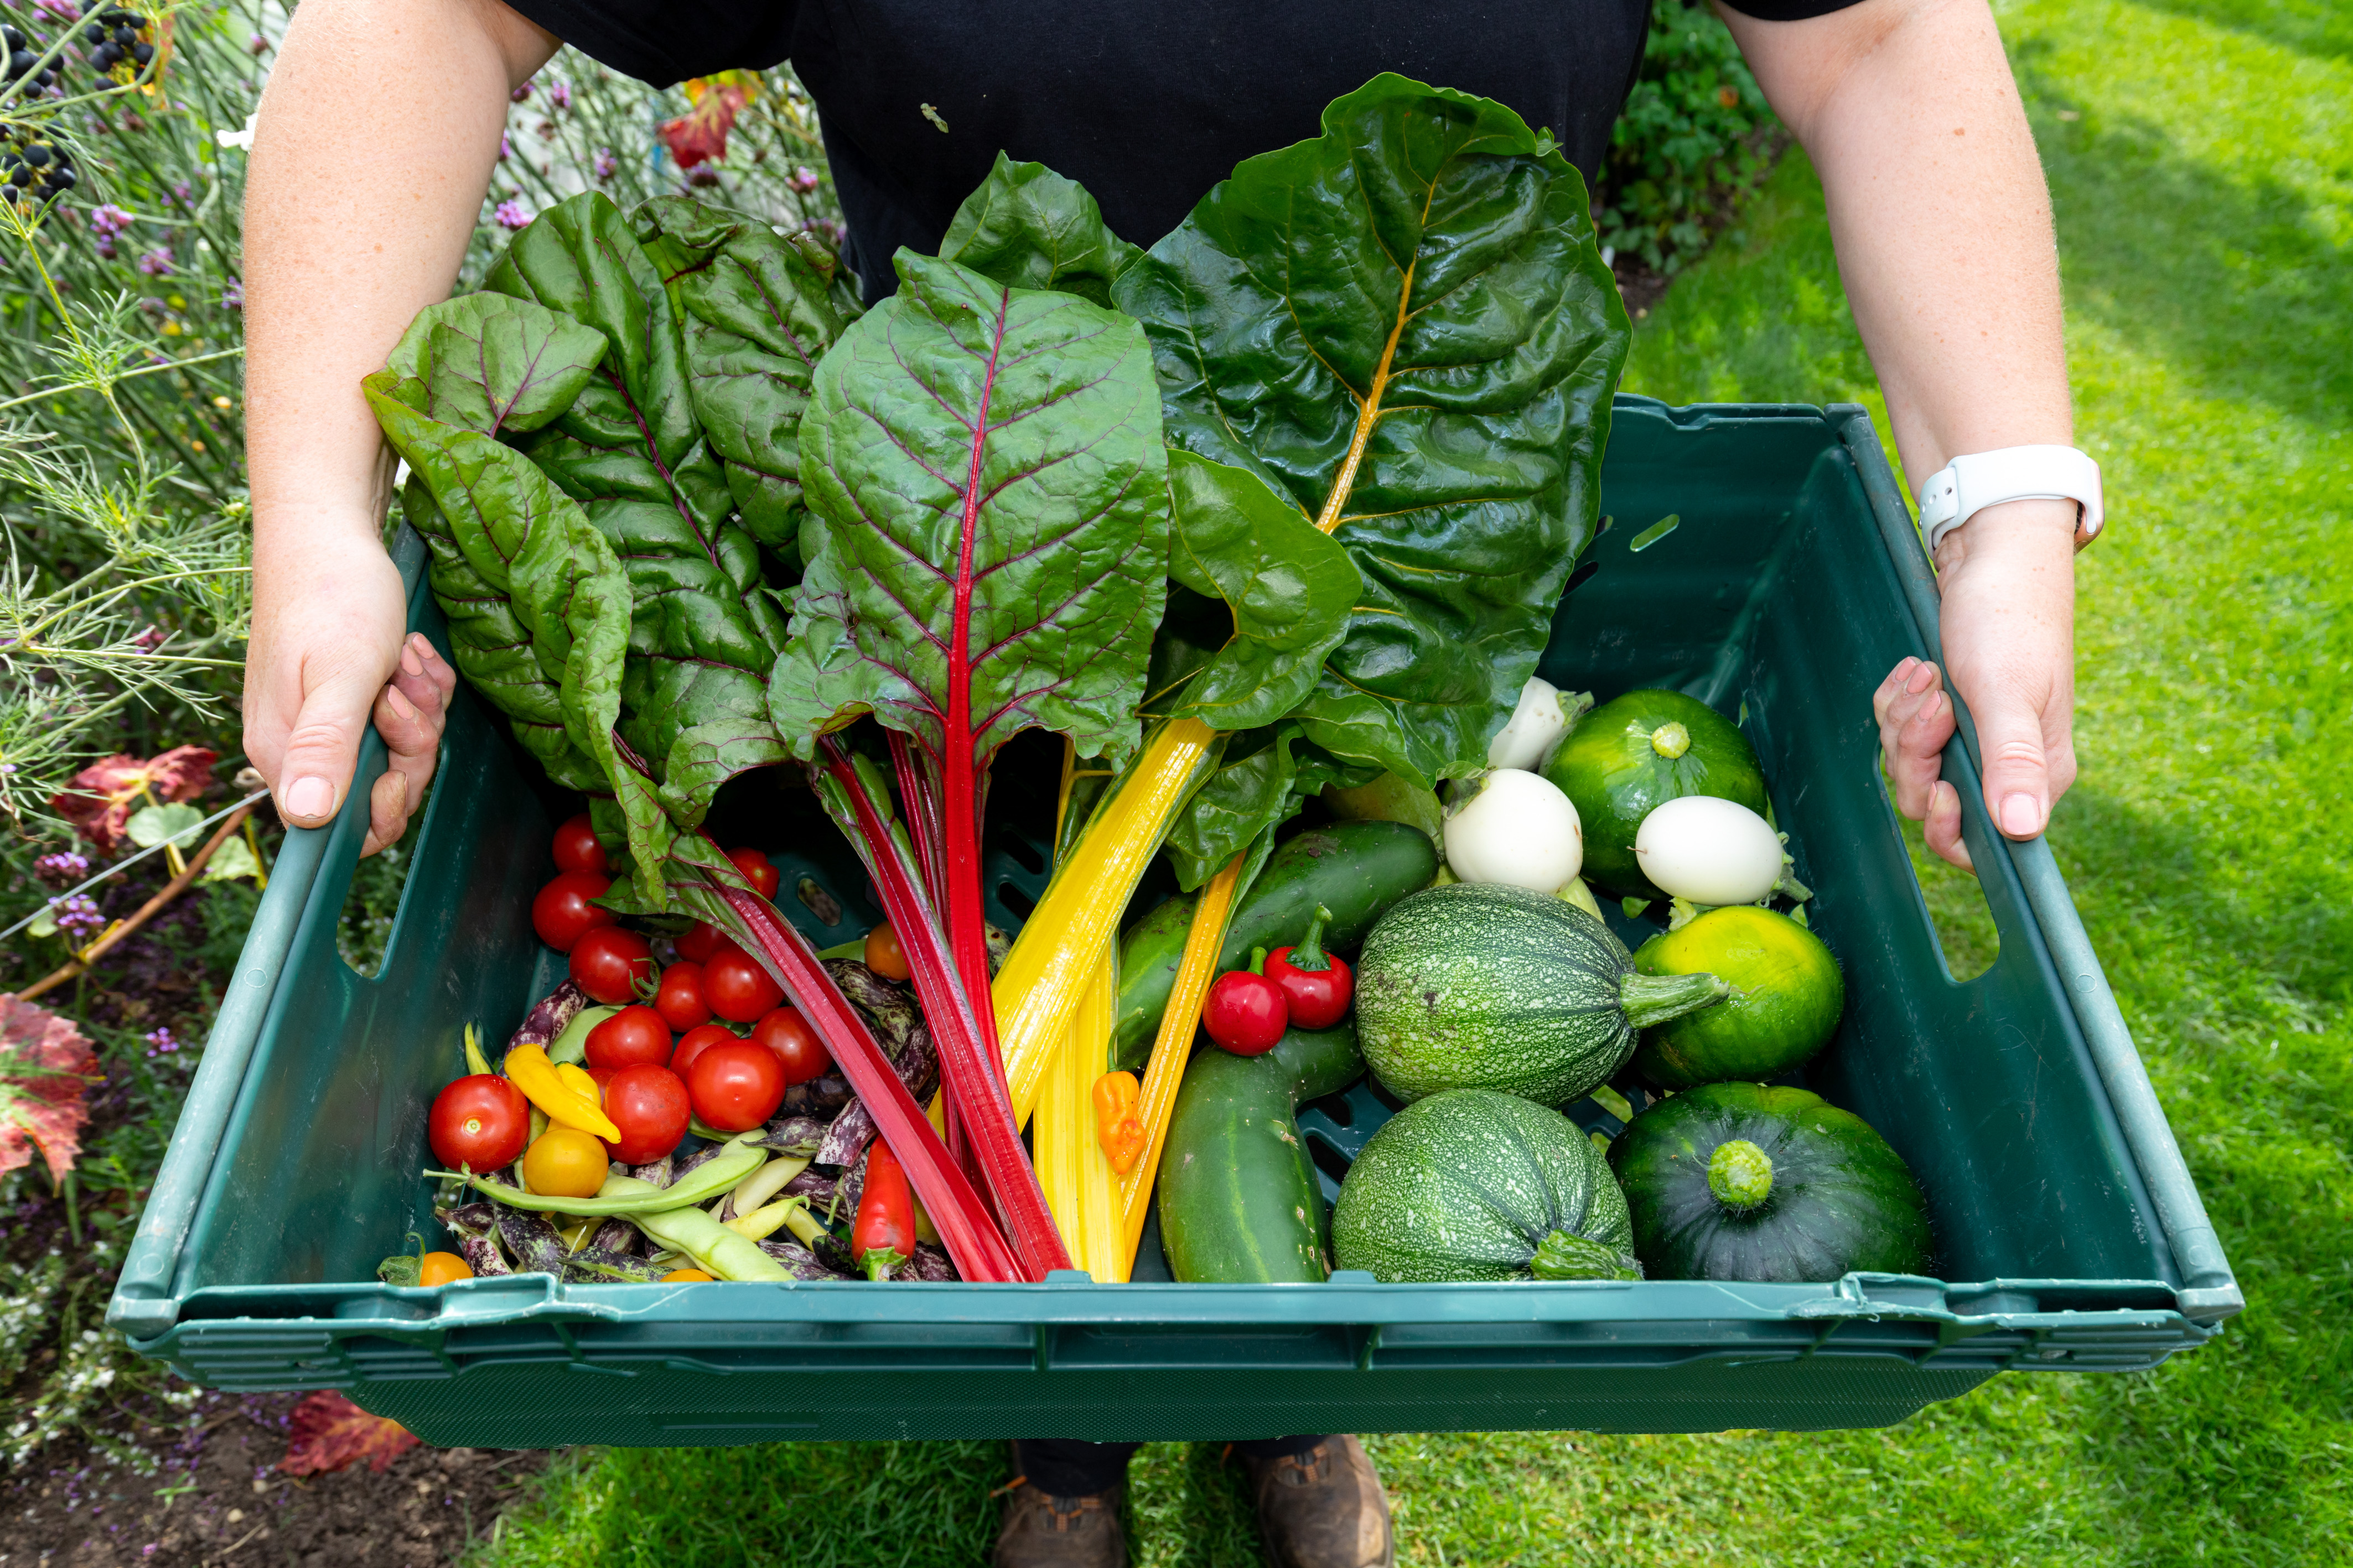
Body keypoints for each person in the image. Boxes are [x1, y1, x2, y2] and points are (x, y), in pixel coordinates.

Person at [240, 1, 2095, 1562]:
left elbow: (1875, 36)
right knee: (1100, 1012)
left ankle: (1281, 1408)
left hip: (1389, 572)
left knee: (1248, 1047)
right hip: (973, 536)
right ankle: (1066, 1449)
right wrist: (318, 523)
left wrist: (2006, 516)